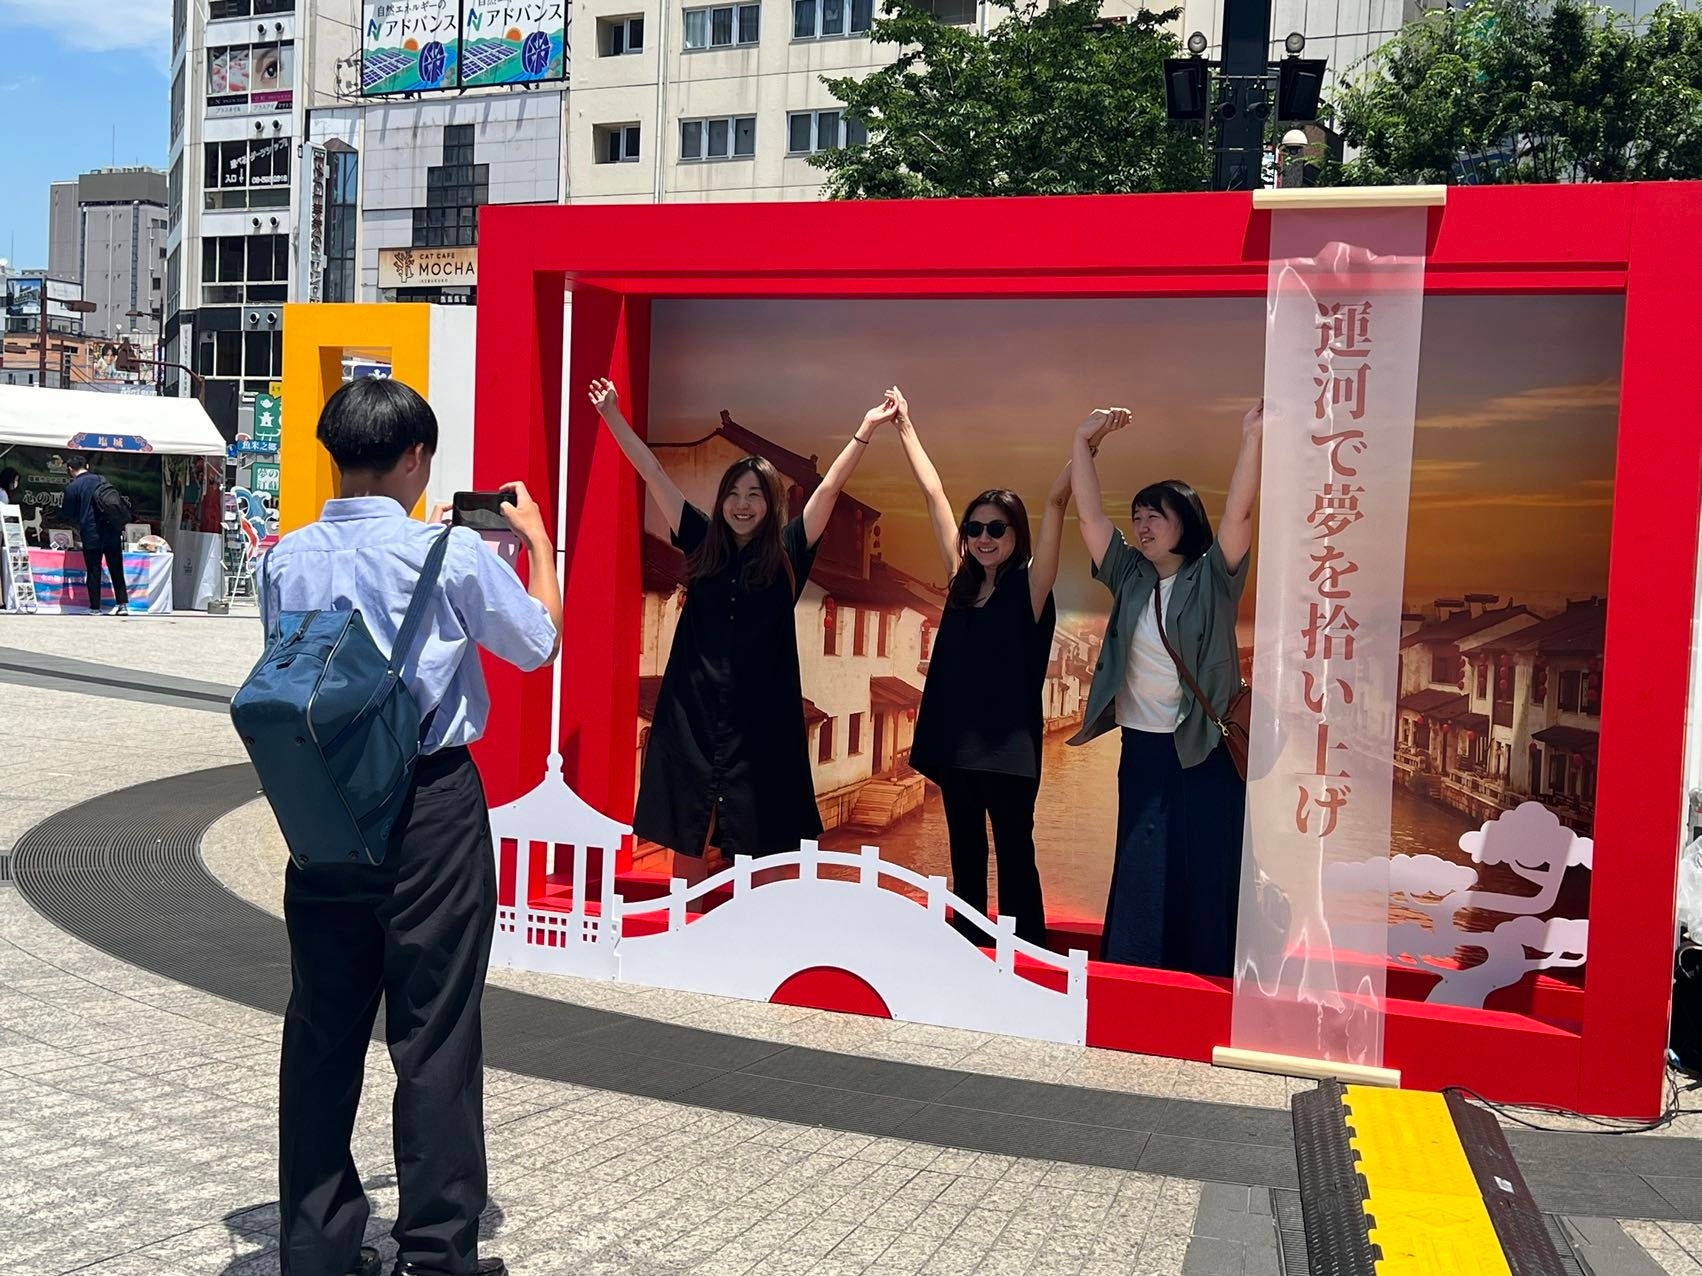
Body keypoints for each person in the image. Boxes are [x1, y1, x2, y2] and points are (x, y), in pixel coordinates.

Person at [261, 377, 561, 1276]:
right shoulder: (452, 552)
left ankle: (317, 1246)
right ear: (416, 457)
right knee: (434, 1030)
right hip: (428, 804)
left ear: (334, 452)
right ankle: (434, 1254)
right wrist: (538, 544)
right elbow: (536, 644)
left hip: (322, 808)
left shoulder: (284, 557)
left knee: (322, 1028)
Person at [589, 377, 894, 876]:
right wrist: (612, 416)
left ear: (771, 503)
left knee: (764, 837)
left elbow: (830, 488)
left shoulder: (788, 552)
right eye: (733, 493)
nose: (742, 503)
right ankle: (685, 917)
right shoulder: (700, 539)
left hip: (763, 721)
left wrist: (865, 429)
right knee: (690, 825)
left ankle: (756, 924)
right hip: (693, 710)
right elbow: (652, 472)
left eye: (754, 494)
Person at [898, 390, 1121, 949]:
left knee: (1017, 857)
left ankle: (1030, 958)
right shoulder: (960, 582)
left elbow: (1056, 501)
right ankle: (970, 952)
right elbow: (933, 494)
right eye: (975, 528)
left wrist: (1086, 442)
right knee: (966, 857)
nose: (983, 538)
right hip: (956, 748)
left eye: (996, 529)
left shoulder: (1031, 587)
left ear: (1016, 534)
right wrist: (904, 426)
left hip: (1009, 754)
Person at [1068, 400, 1263, 978]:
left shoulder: (1213, 578)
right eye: (1138, 517)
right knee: (1141, 866)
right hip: (1144, 749)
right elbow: (1089, 518)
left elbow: (1240, 513)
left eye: (1156, 515)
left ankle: (1207, 982)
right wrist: (1083, 442)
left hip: (1206, 750)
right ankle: (1135, 976)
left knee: (1206, 867)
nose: (1143, 526)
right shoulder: (1129, 575)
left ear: (1186, 523)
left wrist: (1252, 439)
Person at [58, 455, 129, 616]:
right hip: (112, 530)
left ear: (70, 469)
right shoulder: (101, 479)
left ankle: (95, 607)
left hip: (91, 533)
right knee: (117, 569)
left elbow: (68, 514)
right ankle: (122, 605)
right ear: (87, 466)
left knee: (93, 570)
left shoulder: (73, 487)